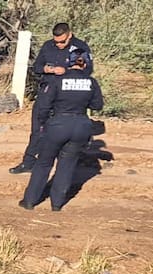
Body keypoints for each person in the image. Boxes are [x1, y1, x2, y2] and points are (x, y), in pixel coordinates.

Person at [19, 53, 103, 211]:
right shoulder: (91, 82)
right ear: (85, 64)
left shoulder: (58, 81)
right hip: (81, 125)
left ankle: (30, 200)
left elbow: (43, 107)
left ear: (68, 63)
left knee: (43, 163)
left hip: (58, 124)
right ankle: (57, 204)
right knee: (67, 166)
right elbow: (97, 105)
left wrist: (43, 124)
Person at [10, 22, 93, 174]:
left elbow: (86, 71)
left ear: (70, 34)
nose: (59, 45)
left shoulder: (80, 48)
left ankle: (70, 166)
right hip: (47, 92)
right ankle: (28, 162)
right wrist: (46, 69)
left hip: (67, 95)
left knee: (67, 132)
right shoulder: (48, 46)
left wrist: (66, 71)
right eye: (57, 42)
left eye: (63, 41)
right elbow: (36, 67)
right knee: (38, 129)